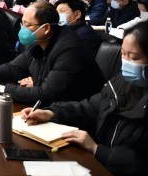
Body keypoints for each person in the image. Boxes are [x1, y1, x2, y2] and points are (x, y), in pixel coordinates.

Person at [22, 23, 148, 176]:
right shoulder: (122, 81)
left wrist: (96, 149)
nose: (125, 62)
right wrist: (51, 113)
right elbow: (90, 107)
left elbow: (140, 163)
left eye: (133, 57)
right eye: (123, 54)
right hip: (100, 165)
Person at [0, 1, 104, 105]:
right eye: (23, 24)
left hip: (75, 116)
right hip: (52, 108)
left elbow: (46, 94)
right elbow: (14, 67)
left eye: (28, 25)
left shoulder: (69, 50)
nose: (23, 29)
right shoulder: (37, 42)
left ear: (46, 28)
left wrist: (0, 89)